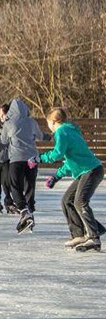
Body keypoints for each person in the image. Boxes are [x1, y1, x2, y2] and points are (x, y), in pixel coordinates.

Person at [31, 108, 104, 252]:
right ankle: (81, 234)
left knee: (80, 201)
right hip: (87, 171)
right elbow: (71, 161)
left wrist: (40, 158)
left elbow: (57, 154)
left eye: (48, 124)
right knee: (67, 200)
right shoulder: (69, 131)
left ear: (53, 122)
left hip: (91, 170)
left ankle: (93, 236)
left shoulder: (62, 132)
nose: (49, 128)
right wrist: (57, 176)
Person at [1, 98, 45, 234]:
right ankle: (30, 212)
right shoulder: (31, 122)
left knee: (15, 186)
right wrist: (49, 137)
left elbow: (3, 140)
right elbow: (40, 136)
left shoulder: (9, 123)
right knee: (30, 186)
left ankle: (24, 211)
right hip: (32, 158)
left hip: (16, 160)